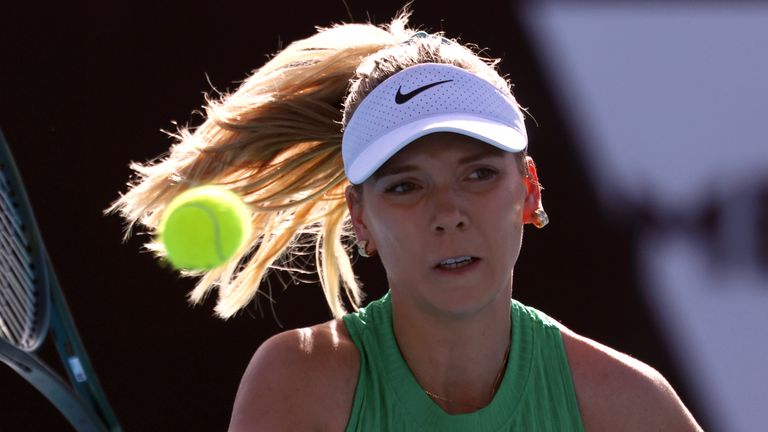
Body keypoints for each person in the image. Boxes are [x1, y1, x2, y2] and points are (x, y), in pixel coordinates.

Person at [111, 11, 703, 431]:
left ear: (528, 191)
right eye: (405, 186)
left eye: (478, 175)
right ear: (360, 218)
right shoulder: (301, 382)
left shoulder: (628, 406)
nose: (448, 214)